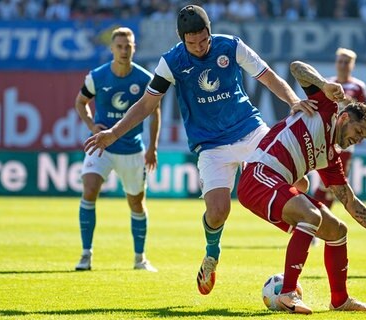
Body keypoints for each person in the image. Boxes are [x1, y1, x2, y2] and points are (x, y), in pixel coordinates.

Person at [83, 5, 316, 293]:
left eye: (203, 40)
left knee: (300, 180)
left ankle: (302, 233)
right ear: (182, 40)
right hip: (210, 145)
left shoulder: (231, 46)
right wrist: (113, 133)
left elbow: (267, 76)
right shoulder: (171, 62)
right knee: (218, 212)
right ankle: (212, 254)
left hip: (250, 131)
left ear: (209, 30)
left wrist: (293, 100)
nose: (199, 47)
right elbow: (147, 104)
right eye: (191, 43)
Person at [237, 60, 366, 314]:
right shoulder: (325, 106)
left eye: (362, 138)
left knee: (337, 230)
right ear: (345, 117)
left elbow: (351, 203)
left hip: (276, 184)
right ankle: (287, 293)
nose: (356, 141)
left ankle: (340, 299)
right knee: (311, 215)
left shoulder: (331, 158)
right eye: (358, 131)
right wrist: (324, 84)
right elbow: (296, 67)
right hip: (258, 176)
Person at [74, 27, 158, 272]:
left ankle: (139, 258)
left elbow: (156, 113)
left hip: (131, 149)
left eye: (128, 46)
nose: (124, 50)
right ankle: (86, 254)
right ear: (111, 49)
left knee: (136, 203)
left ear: (134, 48)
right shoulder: (97, 77)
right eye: (119, 46)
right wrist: (92, 125)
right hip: (100, 145)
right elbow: (80, 102)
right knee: (89, 189)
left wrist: (152, 147)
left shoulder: (144, 79)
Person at [312, 47, 366, 210]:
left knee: (332, 187)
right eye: (340, 61)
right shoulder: (328, 83)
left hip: (345, 142)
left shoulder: (358, 87)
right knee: (326, 183)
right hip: (324, 136)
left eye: (347, 62)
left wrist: (350, 103)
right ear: (336, 63)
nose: (343, 65)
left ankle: (319, 223)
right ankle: (316, 221)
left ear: (352, 65)